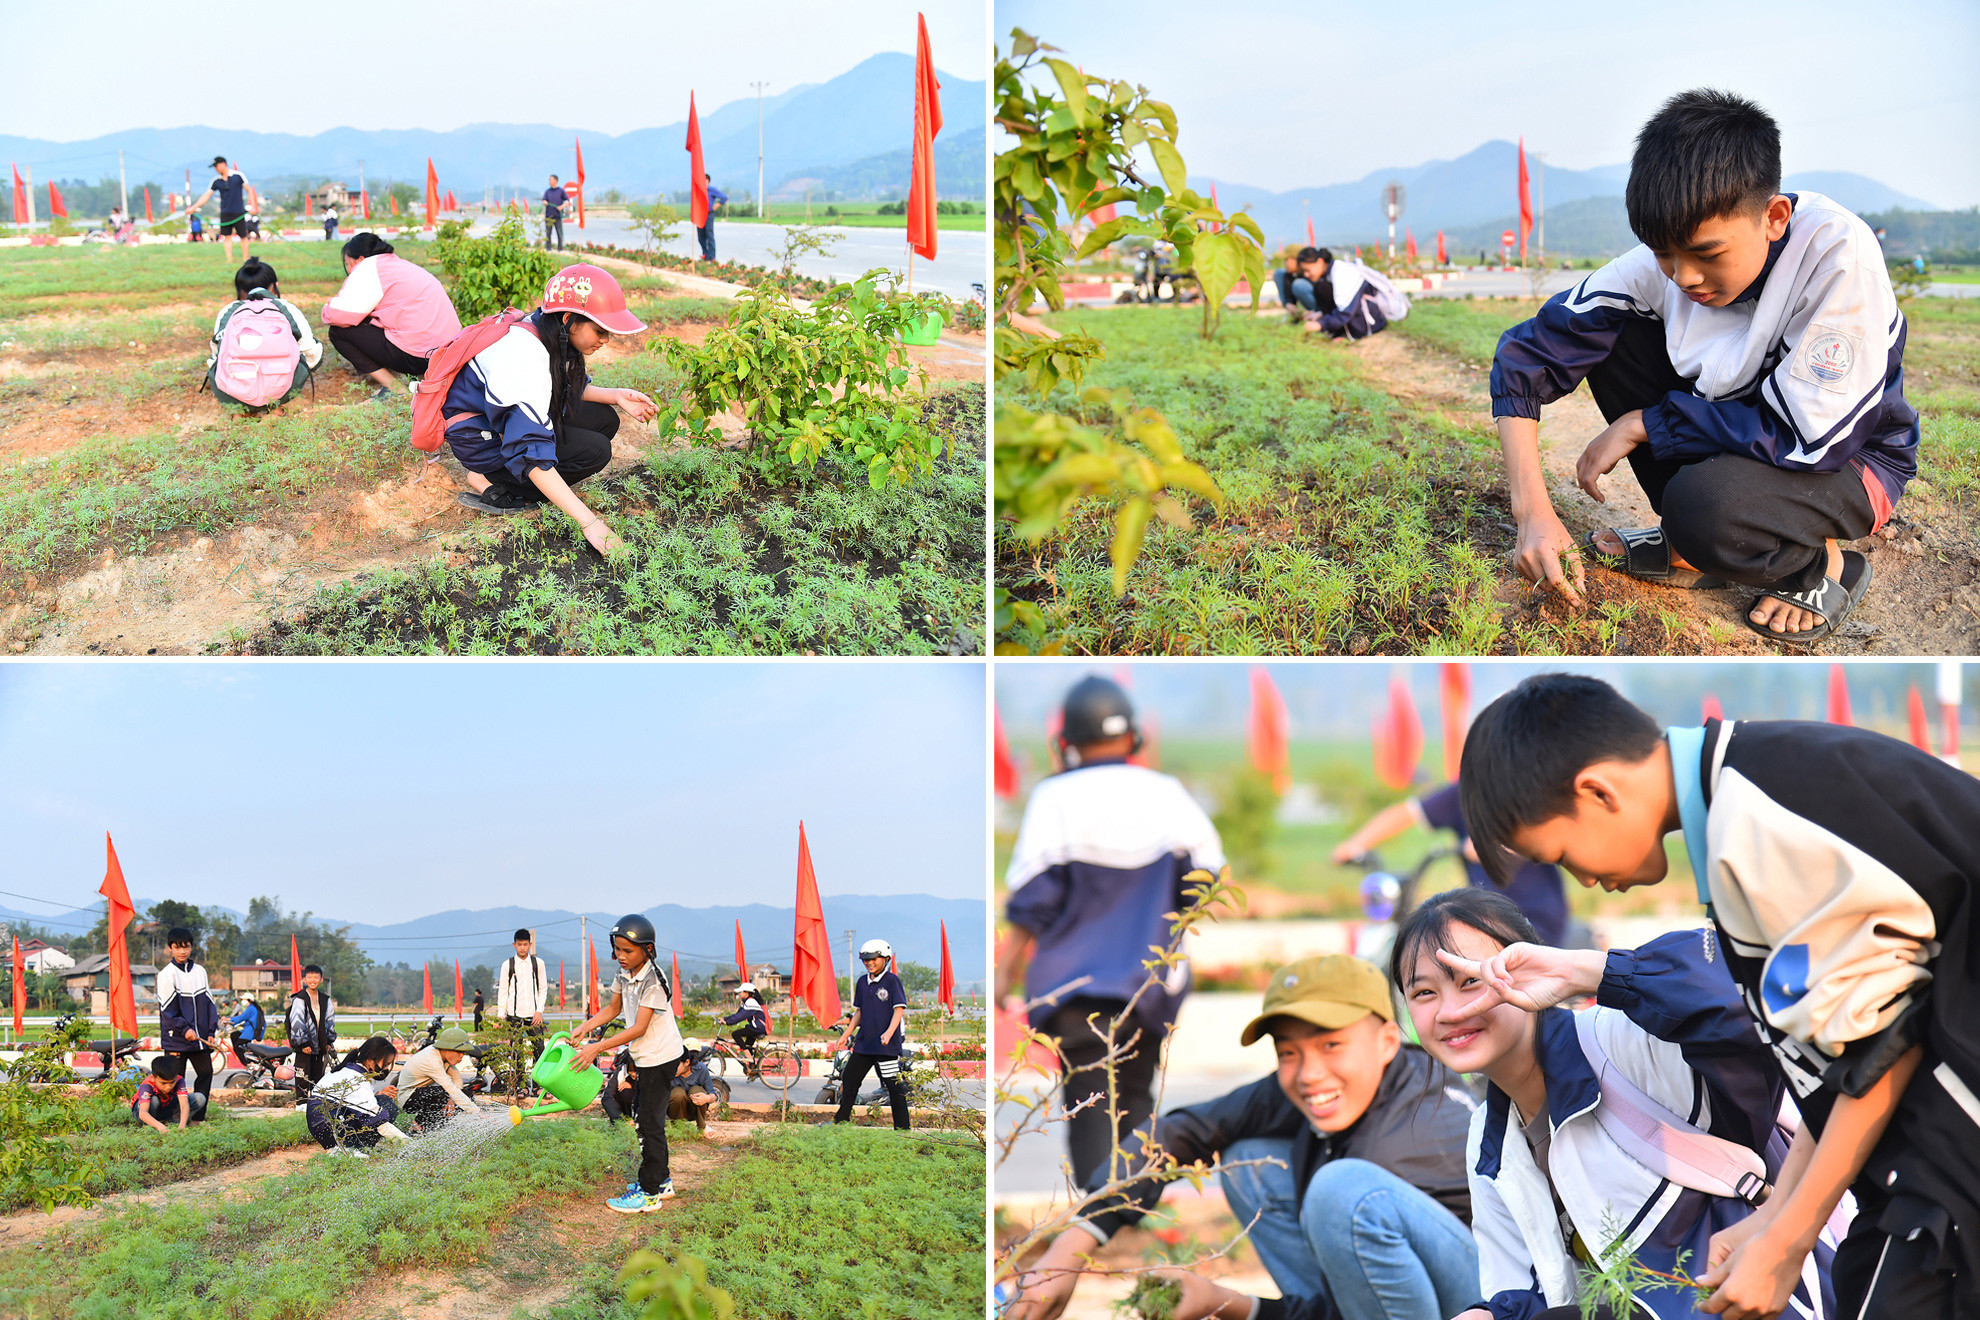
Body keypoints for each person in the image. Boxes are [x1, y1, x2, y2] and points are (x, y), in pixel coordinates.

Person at [1458, 672, 1978, 1318]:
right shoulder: (1746, 793)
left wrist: (1788, 1241)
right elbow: (1852, 1058)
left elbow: (1883, 1054)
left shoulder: (1756, 826)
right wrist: (1775, 1218)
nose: (1584, 879)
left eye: (1564, 855)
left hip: (1950, 1164)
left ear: (1597, 791)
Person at [1490, 93, 1917, 643]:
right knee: (1617, 334)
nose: (1683, 276)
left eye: (1706, 254)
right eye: (1664, 253)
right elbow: (1524, 358)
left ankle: (1822, 565)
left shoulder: (1837, 256)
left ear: (1774, 218)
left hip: (1848, 461)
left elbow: (1813, 439)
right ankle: (1698, 547)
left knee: (1705, 509)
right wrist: (1532, 513)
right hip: (1743, 438)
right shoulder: (1664, 262)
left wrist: (1649, 421)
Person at [1397, 887, 1835, 1320]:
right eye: (1424, 994)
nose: (1449, 1012)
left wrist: (1598, 972)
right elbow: (1539, 1292)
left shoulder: (1622, 1041)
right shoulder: (1487, 1143)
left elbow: (1751, 990)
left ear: (1529, 964)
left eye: (1471, 980)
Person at [1006, 953, 1478, 1320]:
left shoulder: (1418, 1128)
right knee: (1251, 1159)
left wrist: (1226, 1302)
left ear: (1388, 1042)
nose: (1310, 1073)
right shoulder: (1329, 1080)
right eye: (1289, 1052)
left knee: (1342, 1192)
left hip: (1488, 1300)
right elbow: (1181, 1131)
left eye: (1331, 1044)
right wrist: (1071, 1246)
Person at [999, 675, 1225, 1186]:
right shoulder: (1168, 795)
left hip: (1074, 990)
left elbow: (1031, 905)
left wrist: (1004, 975)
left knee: (1089, 1102)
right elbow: (1206, 884)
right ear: (1135, 738)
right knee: (1138, 1096)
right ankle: (1131, 1213)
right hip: (1148, 986)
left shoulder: (1054, 797)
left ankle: (1098, 1217)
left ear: (1067, 742)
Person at [439, 263, 658, 552]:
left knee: (604, 419)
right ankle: (490, 478)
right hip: (480, 437)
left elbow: (563, 387)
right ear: (569, 319)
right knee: (595, 451)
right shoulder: (523, 356)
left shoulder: (550, 330)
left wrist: (616, 395)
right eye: (600, 330)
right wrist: (590, 523)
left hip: (499, 421)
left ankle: (524, 479)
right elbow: (529, 451)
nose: (606, 340)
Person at [1332, 781, 1570, 947]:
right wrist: (1356, 844)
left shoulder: (1530, 792)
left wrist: (1501, 843)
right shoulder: (1465, 793)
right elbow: (1407, 812)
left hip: (1534, 916)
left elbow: (1547, 831)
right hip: (1484, 914)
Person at [569, 914, 686, 1212]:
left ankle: (649, 1194)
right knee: (645, 1117)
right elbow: (613, 1008)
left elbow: (639, 1028)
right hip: (645, 1056)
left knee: (649, 1122)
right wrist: (586, 1027)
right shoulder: (624, 973)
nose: (620, 956)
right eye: (617, 949)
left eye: (627, 951)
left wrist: (597, 1047)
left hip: (660, 1057)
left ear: (648, 949)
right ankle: (661, 1182)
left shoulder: (654, 980)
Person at [320, 232, 462, 403]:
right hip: (448, 353)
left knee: (338, 332)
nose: (349, 270)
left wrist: (326, 307)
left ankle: (397, 389)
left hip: (418, 356)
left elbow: (337, 315)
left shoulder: (368, 268)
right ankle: (416, 376)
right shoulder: (399, 265)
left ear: (360, 259)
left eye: (348, 264)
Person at [205, 258, 324, 411]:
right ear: (275, 286)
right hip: (282, 392)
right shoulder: (285, 307)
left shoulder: (228, 311)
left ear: (240, 290)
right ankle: (275, 403)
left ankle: (240, 410)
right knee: (309, 348)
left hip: (232, 395)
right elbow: (311, 355)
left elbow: (216, 357)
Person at [832, 939, 911, 1131]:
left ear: (885, 959)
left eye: (874, 959)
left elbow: (898, 1010)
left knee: (893, 1087)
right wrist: (846, 1035)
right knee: (850, 1080)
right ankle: (840, 1122)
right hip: (864, 1044)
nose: (869, 963)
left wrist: (889, 1033)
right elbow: (859, 1012)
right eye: (866, 960)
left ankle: (902, 1129)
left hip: (886, 1045)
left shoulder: (892, 981)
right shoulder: (862, 982)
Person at [155, 926, 224, 1111]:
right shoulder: (166, 975)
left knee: (205, 1072)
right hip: (176, 1039)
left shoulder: (200, 972)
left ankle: (198, 1117)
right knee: (173, 1079)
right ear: (170, 948)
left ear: (191, 947)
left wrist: (210, 1031)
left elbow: (209, 1004)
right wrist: (184, 1029)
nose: (182, 951)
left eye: (185, 947)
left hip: (199, 1039)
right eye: (177, 947)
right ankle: (170, 1114)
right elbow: (167, 1012)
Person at [307, 1035, 413, 1156]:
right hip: (329, 1128)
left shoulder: (347, 1069)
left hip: (322, 1124)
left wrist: (379, 1094)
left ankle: (348, 1147)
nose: (386, 1068)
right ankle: (350, 1149)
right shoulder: (358, 1080)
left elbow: (353, 1100)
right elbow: (380, 1123)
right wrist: (409, 1144)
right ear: (370, 1061)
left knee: (382, 1099)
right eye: (385, 1064)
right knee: (388, 1108)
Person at [1295, 249, 1409, 341]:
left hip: (1370, 324)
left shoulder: (1343, 273)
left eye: (1307, 270)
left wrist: (1320, 324)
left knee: (1321, 288)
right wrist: (1320, 315)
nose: (1306, 274)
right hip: (1362, 318)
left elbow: (1344, 312)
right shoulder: (1329, 275)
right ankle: (1340, 331)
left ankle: (1346, 333)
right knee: (1321, 287)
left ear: (1320, 261)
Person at [394, 1025, 487, 1132]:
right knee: (446, 1094)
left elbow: (457, 1079)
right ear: (446, 1048)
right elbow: (449, 1087)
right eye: (459, 1052)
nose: (462, 1056)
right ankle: (418, 1127)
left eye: (463, 1052)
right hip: (407, 1098)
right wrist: (479, 1113)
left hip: (422, 1094)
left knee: (466, 1095)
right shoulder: (431, 1059)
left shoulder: (443, 1056)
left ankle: (432, 1128)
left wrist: (452, 1100)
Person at [496, 928, 550, 1082]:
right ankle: (521, 1084)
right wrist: (501, 1014)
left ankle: (539, 1083)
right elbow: (503, 991)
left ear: (530, 945)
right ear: (514, 945)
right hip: (514, 1015)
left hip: (534, 1015)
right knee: (516, 1051)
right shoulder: (508, 964)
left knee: (539, 1048)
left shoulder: (538, 963)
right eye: (519, 944)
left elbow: (543, 988)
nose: (522, 948)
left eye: (525, 945)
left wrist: (539, 1011)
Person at [185, 156, 253, 263]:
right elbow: (206, 196)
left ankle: (246, 258)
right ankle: (229, 260)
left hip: (239, 212)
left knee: (243, 236)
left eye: (216, 166)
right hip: (225, 212)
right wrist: (193, 208)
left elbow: (249, 190)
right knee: (227, 236)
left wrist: (252, 206)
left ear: (223, 164)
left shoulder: (238, 176)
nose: (216, 169)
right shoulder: (216, 181)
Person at [287, 963, 336, 1107]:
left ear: (321, 980)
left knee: (317, 1076)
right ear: (304, 980)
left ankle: (315, 1106)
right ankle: (301, 1104)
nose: (312, 980)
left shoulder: (325, 1000)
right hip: (304, 1047)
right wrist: (303, 1043)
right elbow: (296, 1022)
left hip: (320, 1046)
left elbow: (330, 1021)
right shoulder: (300, 999)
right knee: (302, 1074)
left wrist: (328, 1041)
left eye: (316, 977)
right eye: (309, 977)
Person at [130, 1054, 206, 1131]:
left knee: (199, 1098)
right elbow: (143, 1113)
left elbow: (184, 1106)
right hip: (141, 1111)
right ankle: (150, 1125)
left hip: (163, 1108)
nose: (168, 1087)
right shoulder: (147, 1085)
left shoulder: (179, 1080)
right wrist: (160, 1127)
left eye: (172, 1082)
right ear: (153, 1078)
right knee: (154, 1100)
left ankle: (169, 1121)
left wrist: (182, 1127)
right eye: (163, 1083)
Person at [721, 982, 767, 1057]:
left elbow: (740, 1017)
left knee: (735, 1034)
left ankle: (747, 1055)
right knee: (748, 1046)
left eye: (741, 992)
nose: (739, 994)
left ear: (747, 993)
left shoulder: (751, 1002)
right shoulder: (748, 1002)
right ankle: (751, 1065)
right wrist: (725, 1019)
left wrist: (727, 1022)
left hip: (757, 1028)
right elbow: (737, 1014)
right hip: (755, 1027)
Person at [696, 174, 725, 261]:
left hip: (709, 214)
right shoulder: (698, 190)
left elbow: (724, 197)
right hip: (700, 215)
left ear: (708, 182)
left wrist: (717, 205)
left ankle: (712, 257)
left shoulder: (712, 190)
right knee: (701, 237)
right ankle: (705, 255)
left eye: (706, 181)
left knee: (709, 235)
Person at [542, 174, 568, 251]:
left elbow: (567, 201)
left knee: (559, 233)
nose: (549, 181)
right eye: (549, 180)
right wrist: (544, 202)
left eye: (551, 180)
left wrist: (562, 207)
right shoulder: (547, 191)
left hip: (557, 216)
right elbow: (544, 200)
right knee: (548, 234)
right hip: (549, 216)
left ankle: (560, 249)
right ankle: (548, 249)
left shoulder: (561, 191)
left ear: (555, 181)